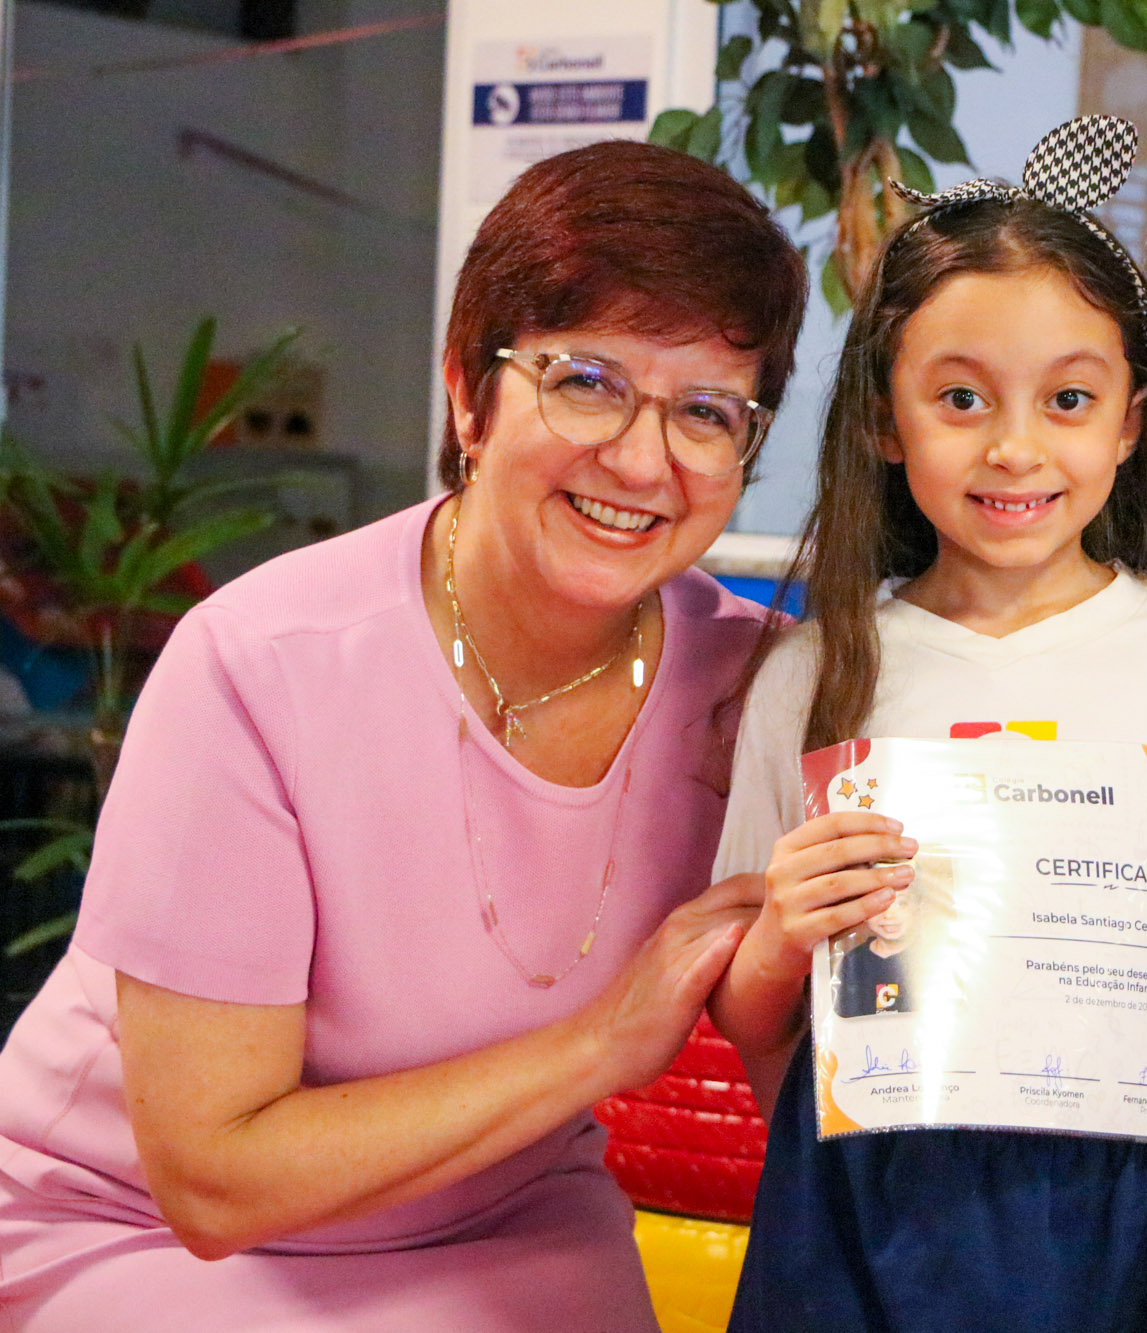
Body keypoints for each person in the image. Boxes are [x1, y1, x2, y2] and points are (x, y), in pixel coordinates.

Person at [0, 139, 806, 1331]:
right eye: (586, 381)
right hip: (139, 1227)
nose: (643, 460)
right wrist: (602, 1045)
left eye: (704, 411)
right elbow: (212, 1181)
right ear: (467, 392)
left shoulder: (757, 691)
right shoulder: (261, 665)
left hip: (509, 1216)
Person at [707, 117, 1147, 1333]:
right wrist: (787, 926)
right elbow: (746, 1014)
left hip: (1125, 1216)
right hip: (857, 1209)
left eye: (1067, 399)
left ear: (1129, 422)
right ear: (884, 420)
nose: (1013, 446)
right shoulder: (812, 673)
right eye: (959, 397)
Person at [832, 881, 917, 1018]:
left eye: (902, 904)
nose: (889, 915)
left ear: (918, 908)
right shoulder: (853, 961)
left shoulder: (930, 956)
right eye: (879, 905)